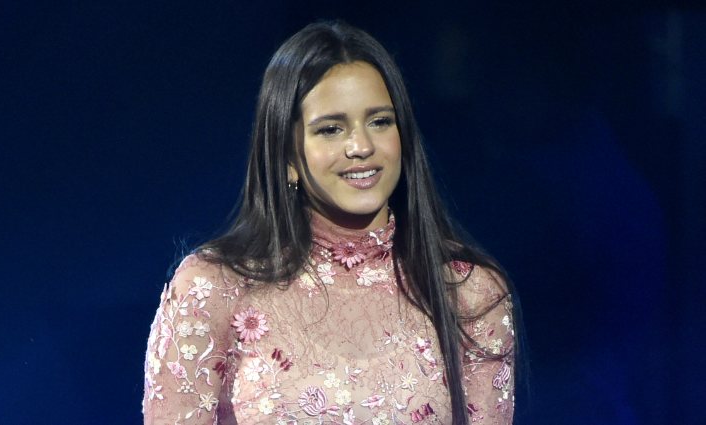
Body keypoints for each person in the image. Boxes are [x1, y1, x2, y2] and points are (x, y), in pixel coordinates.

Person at [143, 21, 520, 424]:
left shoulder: (468, 293)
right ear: (287, 156)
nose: (361, 146)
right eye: (330, 129)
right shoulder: (216, 288)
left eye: (379, 122)